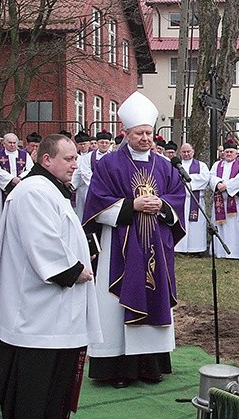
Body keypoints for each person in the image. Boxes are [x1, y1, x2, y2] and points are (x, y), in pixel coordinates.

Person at [0, 134, 102, 418]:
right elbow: (42, 243)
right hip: (36, 321)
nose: (75, 165)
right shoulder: (33, 191)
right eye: (68, 158)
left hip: (51, 319)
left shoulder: (50, 189)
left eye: (76, 158)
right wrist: (76, 271)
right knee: (33, 399)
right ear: (46, 159)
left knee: (53, 398)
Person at [83, 91, 186, 388]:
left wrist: (164, 206)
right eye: (139, 133)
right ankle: (118, 369)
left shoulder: (165, 166)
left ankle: (151, 367)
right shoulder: (109, 164)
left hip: (156, 244)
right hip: (121, 247)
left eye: (149, 133)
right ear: (126, 133)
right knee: (115, 306)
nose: (145, 138)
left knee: (154, 295)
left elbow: (177, 198)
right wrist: (132, 206)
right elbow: (96, 203)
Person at [209, 138, 239, 259]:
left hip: (235, 201)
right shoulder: (217, 165)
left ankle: (236, 253)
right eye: (226, 152)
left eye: (231, 152)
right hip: (219, 202)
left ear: (236, 153)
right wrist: (218, 184)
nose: (228, 154)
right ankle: (220, 252)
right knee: (220, 226)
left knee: (235, 228)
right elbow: (211, 177)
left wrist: (226, 186)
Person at [175, 143, 211, 255]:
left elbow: (204, 179)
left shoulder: (201, 165)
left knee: (196, 226)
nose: (186, 154)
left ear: (193, 151)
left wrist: (187, 180)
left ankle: (196, 249)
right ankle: (179, 249)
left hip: (195, 200)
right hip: (180, 201)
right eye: (184, 152)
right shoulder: (175, 165)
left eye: (188, 151)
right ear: (180, 153)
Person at [0, 132, 34, 226]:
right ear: (4, 143)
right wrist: (11, 179)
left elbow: (30, 169)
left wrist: (20, 178)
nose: (12, 145)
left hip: (21, 185)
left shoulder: (24, 155)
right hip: (5, 189)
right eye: (10, 143)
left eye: (14, 143)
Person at [74, 130, 113, 221]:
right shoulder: (88, 157)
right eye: (102, 142)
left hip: (109, 189)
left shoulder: (114, 157)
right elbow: (85, 172)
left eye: (106, 143)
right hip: (90, 188)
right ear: (98, 143)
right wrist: (97, 185)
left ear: (109, 144)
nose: (104, 145)